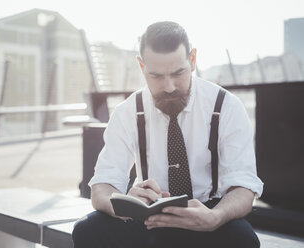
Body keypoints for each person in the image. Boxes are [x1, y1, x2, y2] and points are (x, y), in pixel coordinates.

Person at [72, 21, 263, 248]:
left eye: (178, 73)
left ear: (192, 60)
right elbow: (102, 186)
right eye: (157, 76)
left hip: (206, 214)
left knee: (242, 238)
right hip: (148, 219)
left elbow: (243, 186)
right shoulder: (127, 112)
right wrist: (123, 204)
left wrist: (216, 217)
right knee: (87, 230)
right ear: (142, 67)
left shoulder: (226, 106)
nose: (170, 86)